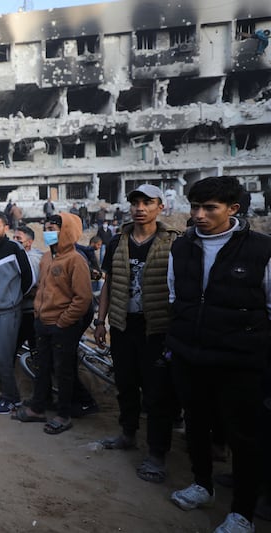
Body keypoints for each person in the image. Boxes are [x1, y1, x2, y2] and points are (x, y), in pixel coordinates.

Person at [166, 176, 270, 533]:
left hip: (238, 362)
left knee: (243, 437)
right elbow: (173, 295)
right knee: (196, 425)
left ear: (233, 209)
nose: (199, 215)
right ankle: (202, 485)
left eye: (210, 208)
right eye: (195, 207)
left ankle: (241, 513)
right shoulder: (182, 247)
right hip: (190, 355)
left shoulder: (260, 250)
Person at [93, 184, 179, 484]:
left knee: (157, 393)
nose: (140, 207)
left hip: (156, 329)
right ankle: (128, 433)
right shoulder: (118, 243)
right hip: (122, 325)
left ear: (160, 207)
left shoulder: (173, 243)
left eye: (147, 202)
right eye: (135, 202)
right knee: (126, 385)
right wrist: (101, 321)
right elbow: (108, 284)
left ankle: (157, 453)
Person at [11, 213, 92, 434]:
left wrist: (63, 321)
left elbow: (83, 298)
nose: (48, 231)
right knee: (43, 366)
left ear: (67, 231)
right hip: (43, 323)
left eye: (53, 227)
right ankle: (38, 408)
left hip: (63, 326)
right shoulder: (47, 258)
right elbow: (41, 289)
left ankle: (63, 415)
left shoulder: (76, 260)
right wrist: (38, 311)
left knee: (63, 370)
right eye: (46, 227)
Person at [0, 211, 33, 414]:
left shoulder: (14, 249)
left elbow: (28, 279)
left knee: (3, 356)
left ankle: (12, 399)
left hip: (8, 311)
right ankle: (5, 395)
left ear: (6, 228)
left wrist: (14, 299)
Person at [12, 225, 42, 351]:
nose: (14, 240)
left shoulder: (33, 259)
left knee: (23, 343)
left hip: (30, 310)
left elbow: (33, 286)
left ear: (29, 242)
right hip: (23, 309)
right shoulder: (18, 256)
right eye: (13, 237)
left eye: (18, 238)